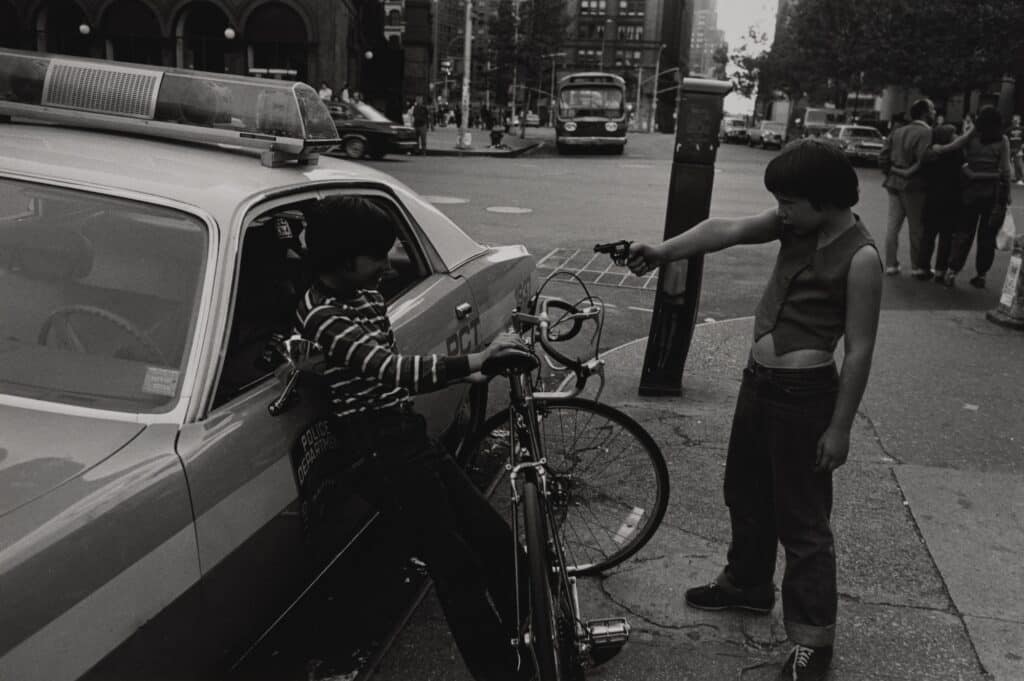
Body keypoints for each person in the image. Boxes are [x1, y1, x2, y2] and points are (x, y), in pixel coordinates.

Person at [626, 139, 883, 681]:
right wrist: (663, 250)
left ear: (825, 199)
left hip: (805, 398)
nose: (781, 210)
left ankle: (815, 641)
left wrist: (840, 429)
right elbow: (727, 229)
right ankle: (747, 584)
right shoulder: (796, 225)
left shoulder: (861, 259)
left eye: (789, 201)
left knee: (804, 522)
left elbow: (859, 349)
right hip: (759, 384)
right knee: (744, 490)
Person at [296, 195, 531, 681]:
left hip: (404, 431)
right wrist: (475, 362)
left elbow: (388, 358)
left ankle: (540, 635)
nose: (386, 266)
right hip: (376, 449)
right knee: (456, 567)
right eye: (377, 257)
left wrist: (468, 373)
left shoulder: (363, 296)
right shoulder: (321, 315)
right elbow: (389, 368)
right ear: (342, 260)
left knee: (492, 537)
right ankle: (503, 672)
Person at [933, 105, 1013, 288]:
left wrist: (939, 149)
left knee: (963, 233)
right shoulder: (1002, 141)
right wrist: (1007, 195)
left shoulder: (972, 137)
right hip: (992, 195)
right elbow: (1006, 172)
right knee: (987, 235)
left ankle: (953, 270)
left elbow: (954, 146)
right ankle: (981, 274)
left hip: (970, 193)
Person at [889, 124, 963, 283]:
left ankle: (923, 267)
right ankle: (940, 271)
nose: (956, 135)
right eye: (954, 133)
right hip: (952, 200)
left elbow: (918, 171)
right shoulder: (958, 155)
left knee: (928, 234)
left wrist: (895, 170)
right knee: (946, 237)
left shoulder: (930, 156)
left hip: (932, 199)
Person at [878, 98, 936, 278]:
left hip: (894, 183)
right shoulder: (926, 133)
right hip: (915, 186)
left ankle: (890, 264)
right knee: (916, 227)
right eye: (933, 109)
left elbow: (883, 157)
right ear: (925, 113)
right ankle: (917, 266)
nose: (935, 113)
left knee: (893, 226)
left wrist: (892, 172)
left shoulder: (898, 131)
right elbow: (924, 160)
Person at [1007, 114, 1024, 184]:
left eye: (1017, 119)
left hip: (1018, 148)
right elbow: (1006, 139)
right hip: (1010, 148)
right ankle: (1007, 177)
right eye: (1014, 119)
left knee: (1018, 164)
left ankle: (1019, 179)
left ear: (1019, 121)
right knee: (1006, 163)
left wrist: (1022, 148)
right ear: (1012, 121)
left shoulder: (1022, 129)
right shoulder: (1008, 129)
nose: (1015, 121)